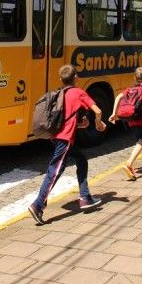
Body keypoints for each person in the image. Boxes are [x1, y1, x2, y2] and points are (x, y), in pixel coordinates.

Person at [28, 64, 106, 225]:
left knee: (81, 160)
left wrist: (79, 124)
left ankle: (85, 197)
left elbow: (65, 118)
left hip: (58, 136)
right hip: (64, 139)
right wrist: (99, 124)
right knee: (54, 171)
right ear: (76, 77)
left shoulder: (61, 92)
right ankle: (38, 205)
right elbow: (97, 111)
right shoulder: (78, 92)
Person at [109, 66, 142, 181]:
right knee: (141, 141)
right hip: (139, 120)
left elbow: (118, 97)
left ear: (135, 77)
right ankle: (129, 164)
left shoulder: (129, 89)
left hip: (129, 119)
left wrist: (114, 113)